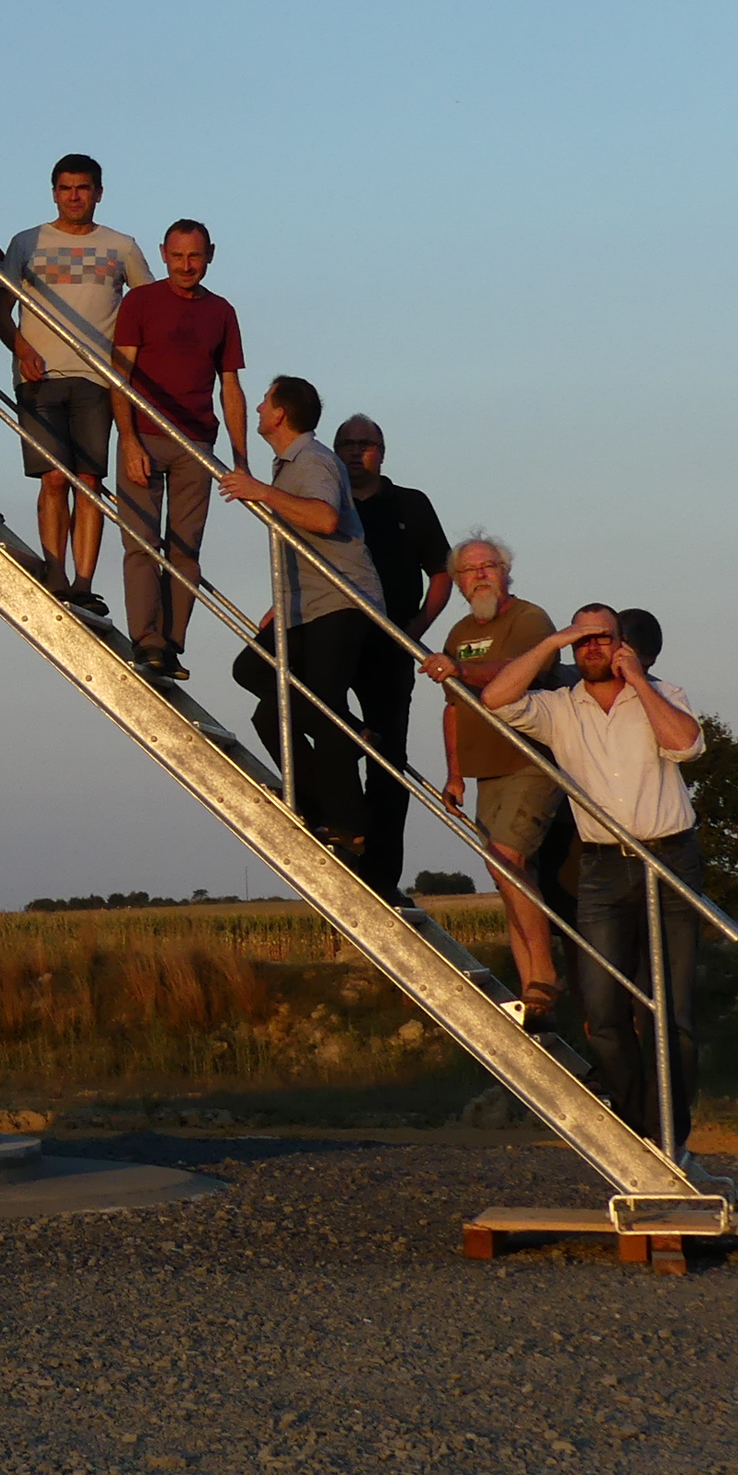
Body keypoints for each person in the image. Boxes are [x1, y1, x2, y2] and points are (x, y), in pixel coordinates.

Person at [477, 605, 709, 1146]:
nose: (592, 647)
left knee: (673, 1011)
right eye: (582, 640)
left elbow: (687, 745)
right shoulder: (559, 708)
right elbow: (495, 699)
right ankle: (632, 1122)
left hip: (671, 860)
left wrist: (638, 682)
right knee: (603, 1009)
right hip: (604, 868)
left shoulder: (663, 693)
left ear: (622, 643)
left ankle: (668, 1131)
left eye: (602, 637)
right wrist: (551, 641)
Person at [220, 375, 385, 868]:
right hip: (305, 604)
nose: (257, 409)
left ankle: (350, 824)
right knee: (255, 678)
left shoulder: (311, 459)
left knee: (323, 703)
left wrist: (259, 492)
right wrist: (281, 604)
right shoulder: (288, 463)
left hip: (341, 601)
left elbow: (324, 519)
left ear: (280, 414)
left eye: (264, 402)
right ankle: (325, 786)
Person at [0, 155, 152, 615]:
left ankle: (83, 582)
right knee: (53, 478)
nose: (74, 196)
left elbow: (148, 310)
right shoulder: (26, 242)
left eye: (83, 188)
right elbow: (0, 312)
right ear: (54, 193)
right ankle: (56, 572)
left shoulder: (121, 246)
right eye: (66, 188)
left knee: (89, 481)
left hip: (99, 380)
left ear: (99, 192)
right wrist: (22, 349)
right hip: (40, 378)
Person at [418, 534, 570, 1019]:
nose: (479, 576)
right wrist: (455, 775)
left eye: (488, 566)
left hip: (530, 760)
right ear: (458, 582)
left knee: (507, 862)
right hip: (485, 772)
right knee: (506, 879)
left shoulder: (529, 618)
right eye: (468, 570)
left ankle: (545, 974)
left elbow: (518, 669)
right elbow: (454, 707)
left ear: (506, 572)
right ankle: (532, 992)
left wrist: (461, 669)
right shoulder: (459, 631)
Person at [107, 221, 247, 680]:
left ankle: (170, 645)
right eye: (179, 256)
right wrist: (128, 439)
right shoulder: (140, 302)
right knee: (141, 544)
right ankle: (146, 640)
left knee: (186, 548)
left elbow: (231, 387)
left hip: (196, 443)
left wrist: (241, 461)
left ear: (210, 255)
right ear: (163, 254)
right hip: (145, 434)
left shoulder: (221, 311)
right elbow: (119, 374)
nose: (187, 266)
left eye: (195, 256)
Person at [334, 414, 454, 903]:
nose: (355, 451)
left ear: (381, 453)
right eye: (346, 443)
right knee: (320, 721)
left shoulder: (411, 503)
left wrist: (418, 628)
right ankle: (340, 822)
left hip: (392, 646)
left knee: (389, 761)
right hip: (334, 636)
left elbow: (442, 572)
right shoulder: (326, 502)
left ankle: (382, 876)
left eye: (365, 443)